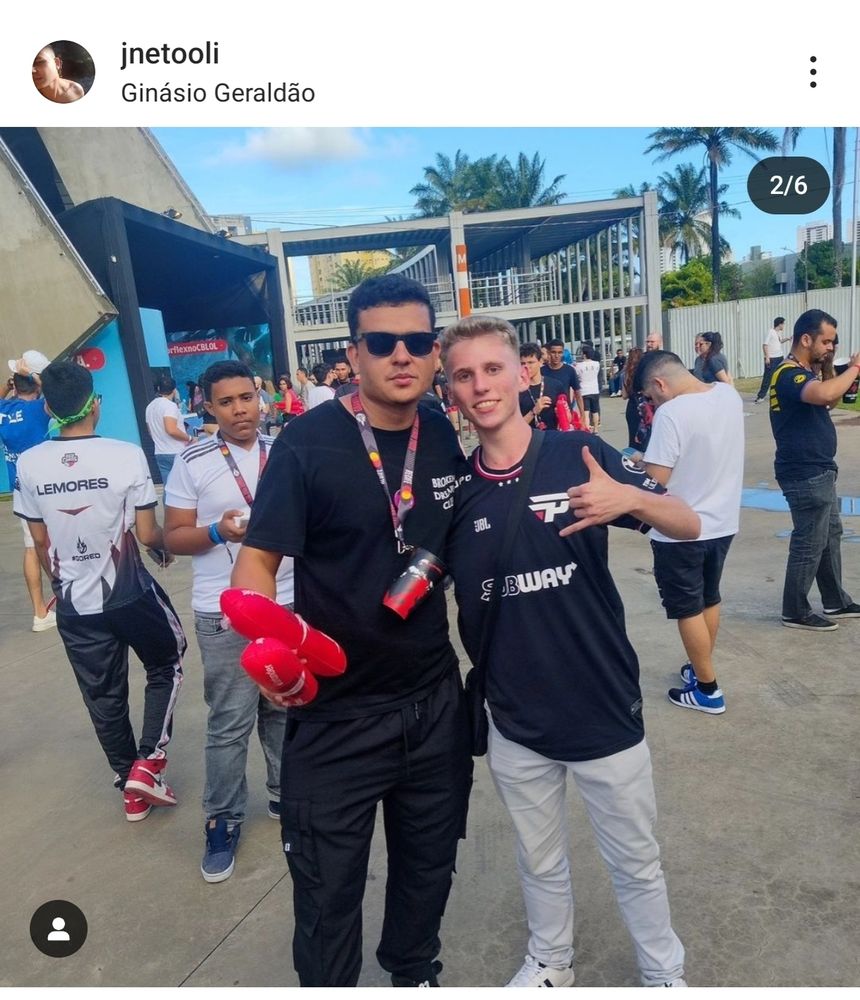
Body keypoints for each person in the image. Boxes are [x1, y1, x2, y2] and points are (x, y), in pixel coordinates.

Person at [441, 315, 697, 989]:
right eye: (464, 375)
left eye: (492, 369)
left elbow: (686, 520)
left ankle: (663, 973)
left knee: (636, 860)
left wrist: (629, 496)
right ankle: (551, 963)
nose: (480, 386)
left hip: (600, 703)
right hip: (513, 716)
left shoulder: (579, 452)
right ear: (451, 392)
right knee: (538, 859)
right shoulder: (453, 493)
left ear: (522, 374)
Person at [231, 274, 472, 988]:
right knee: (326, 893)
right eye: (383, 341)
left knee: (429, 868)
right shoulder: (306, 442)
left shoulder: (442, 434)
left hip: (433, 703)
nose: (402, 355)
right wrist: (271, 654)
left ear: (435, 353)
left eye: (418, 341)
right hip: (336, 713)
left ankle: (413, 971)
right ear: (354, 352)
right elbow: (256, 564)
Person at [13, 362, 186, 821]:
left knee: (102, 696)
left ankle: (130, 788)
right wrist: (164, 550)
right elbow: (147, 534)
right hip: (130, 592)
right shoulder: (125, 455)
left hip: (74, 602)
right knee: (167, 661)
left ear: (48, 408)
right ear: (96, 404)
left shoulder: (29, 464)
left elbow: (40, 541)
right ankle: (148, 762)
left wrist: (63, 583)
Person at [164, 361, 294, 883]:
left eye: (247, 398)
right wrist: (218, 531)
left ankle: (287, 796)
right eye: (227, 402)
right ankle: (222, 820)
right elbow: (173, 536)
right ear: (209, 407)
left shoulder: (284, 450)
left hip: (288, 601)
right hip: (225, 609)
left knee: (285, 709)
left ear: (259, 399)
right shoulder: (191, 461)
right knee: (229, 723)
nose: (240, 410)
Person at [636, 351, 744, 714]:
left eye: (651, 396)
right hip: (723, 522)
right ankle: (700, 669)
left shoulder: (671, 413)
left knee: (687, 608)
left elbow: (656, 481)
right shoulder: (728, 395)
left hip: (679, 529)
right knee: (709, 598)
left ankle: (708, 690)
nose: (653, 403)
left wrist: (636, 466)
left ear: (660, 384)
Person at [768, 309, 860, 631]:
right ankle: (794, 610)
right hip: (804, 474)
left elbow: (829, 401)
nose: (831, 347)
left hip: (819, 470)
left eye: (834, 342)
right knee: (809, 542)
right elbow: (824, 394)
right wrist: (856, 368)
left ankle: (835, 600)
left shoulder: (807, 372)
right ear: (806, 339)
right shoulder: (788, 374)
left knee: (830, 536)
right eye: (826, 341)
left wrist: (830, 368)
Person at [1, 370, 55, 631]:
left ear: (14, 387)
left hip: (21, 488)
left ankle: (39, 613)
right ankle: (71, 598)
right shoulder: (39, 409)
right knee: (63, 540)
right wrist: (37, 377)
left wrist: (7, 384)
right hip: (48, 484)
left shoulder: (4, 410)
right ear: (36, 387)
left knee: (32, 547)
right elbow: (57, 397)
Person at [145, 375, 193, 484]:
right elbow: (171, 430)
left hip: (160, 452)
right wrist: (190, 438)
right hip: (176, 451)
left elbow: (150, 432)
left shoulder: (150, 407)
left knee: (169, 487)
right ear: (174, 390)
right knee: (184, 485)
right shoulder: (169, 406)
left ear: (158, 389)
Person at [519, 342, 564, 430]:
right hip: (528, 437)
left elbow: (568, 419)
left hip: (552, 436)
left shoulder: (556, 385)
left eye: (531, 362)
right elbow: (515, 428)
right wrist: (533, 411)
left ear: (540, 362)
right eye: (523, 363)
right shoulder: (516, 390)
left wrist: (562, 414)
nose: (526, 367)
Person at [542, 339, 585, 419]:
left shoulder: (569, 370)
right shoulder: (542, 371)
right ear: (549, 353)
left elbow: (578, 393)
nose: (556, 355)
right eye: (553, 352)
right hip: (546, 415)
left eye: (560, 352)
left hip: (565, 414)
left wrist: (583, 416)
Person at [754, 317, 790, 404]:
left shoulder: (778, 333)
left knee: (780, 376)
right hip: (772, 358)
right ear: (780, 324)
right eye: (783, 324)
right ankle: (760, 396)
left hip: (779, 357)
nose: (784, 326)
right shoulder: (770, 332)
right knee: (768, 377)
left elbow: (780, 341)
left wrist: (788, 338)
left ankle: (779, 394)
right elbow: (765, 345)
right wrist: (767, 357)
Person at [575, 344, 602, 433]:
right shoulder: (597, 364)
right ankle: (596, 429)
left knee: (586, 412)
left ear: (584, 354)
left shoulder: (578, 365)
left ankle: (587, 429)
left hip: (584, 391)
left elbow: (577, 376)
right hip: (595, 389)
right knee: (595, 411)